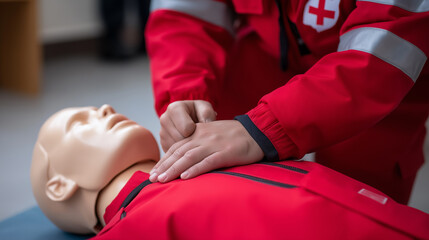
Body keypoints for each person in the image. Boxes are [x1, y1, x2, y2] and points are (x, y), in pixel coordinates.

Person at [145, 0, 429, 204]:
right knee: (225, 189)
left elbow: (380, 56)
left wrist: (264, 129)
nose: (106, 111)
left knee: (361, 206)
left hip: (372, 86)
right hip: (263, 55)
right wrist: (184, 90)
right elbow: (184, 14)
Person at [30, 105, 429, 239]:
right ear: (59, 184)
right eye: (79, 123)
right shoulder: (131, 227)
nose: (102, 107)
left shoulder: (216, 155)